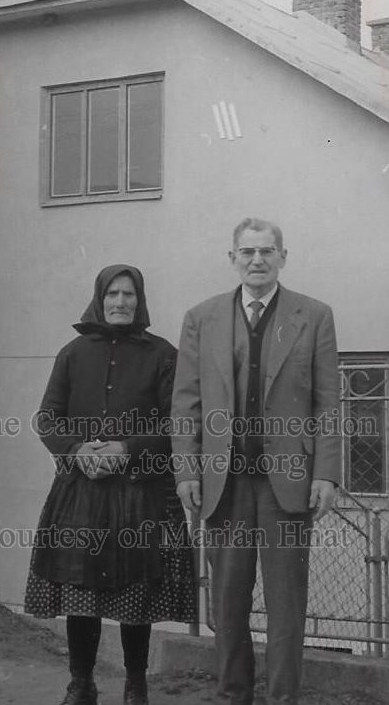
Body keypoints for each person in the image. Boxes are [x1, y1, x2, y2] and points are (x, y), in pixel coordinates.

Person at [171, 218, 341, 705]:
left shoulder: (314, 315)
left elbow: (328, 403)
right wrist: (187, 472)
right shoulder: (201, 318)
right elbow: (186, 404)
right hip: (223, 485)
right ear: (233, 258)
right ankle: (233, 696)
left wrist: (326, 474)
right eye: (247, 252)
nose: (257, 260)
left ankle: (283, 698)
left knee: (287, 606)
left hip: (286, 483)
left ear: (283, 256)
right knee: (227, 604)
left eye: (267, 251)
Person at [24, 264, 196, 705]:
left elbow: (176, 423)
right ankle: (81, 683)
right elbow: (47, 418)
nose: (121, 302)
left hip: (140, 491)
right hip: (82, 491)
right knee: (81, 592)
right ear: (100, 300)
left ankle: (135, 684)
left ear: (140, 300)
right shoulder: (72, 353)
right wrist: (77, 450)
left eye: (129, 294)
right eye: (113, 294)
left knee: (135, 594)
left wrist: (125, 449)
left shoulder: (163, 355)